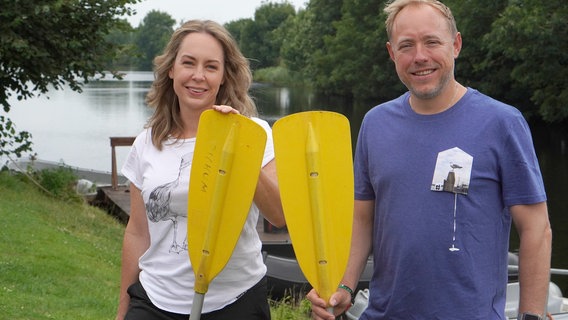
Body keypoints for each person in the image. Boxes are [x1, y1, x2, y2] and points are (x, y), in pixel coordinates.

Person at [307, 1, 552, 319]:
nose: (419, 56)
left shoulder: (502, 123)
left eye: (432, 41)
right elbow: (362, 219)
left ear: (456, 44)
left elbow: (536, 228)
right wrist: (346, 287)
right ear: (392, 54)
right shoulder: (375, 123)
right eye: (406, 45)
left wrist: (531, 315)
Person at [115, 20, 285, 320]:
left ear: (223, 76)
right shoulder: (147, 142)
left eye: (211, 67)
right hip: (155, 299)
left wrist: (238, 146)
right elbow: (138, 233)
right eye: (188, 63)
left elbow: (279, 214)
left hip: (235, 300)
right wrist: (123, 310)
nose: (198, 76)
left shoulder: (254, 133)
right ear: (171, 70)